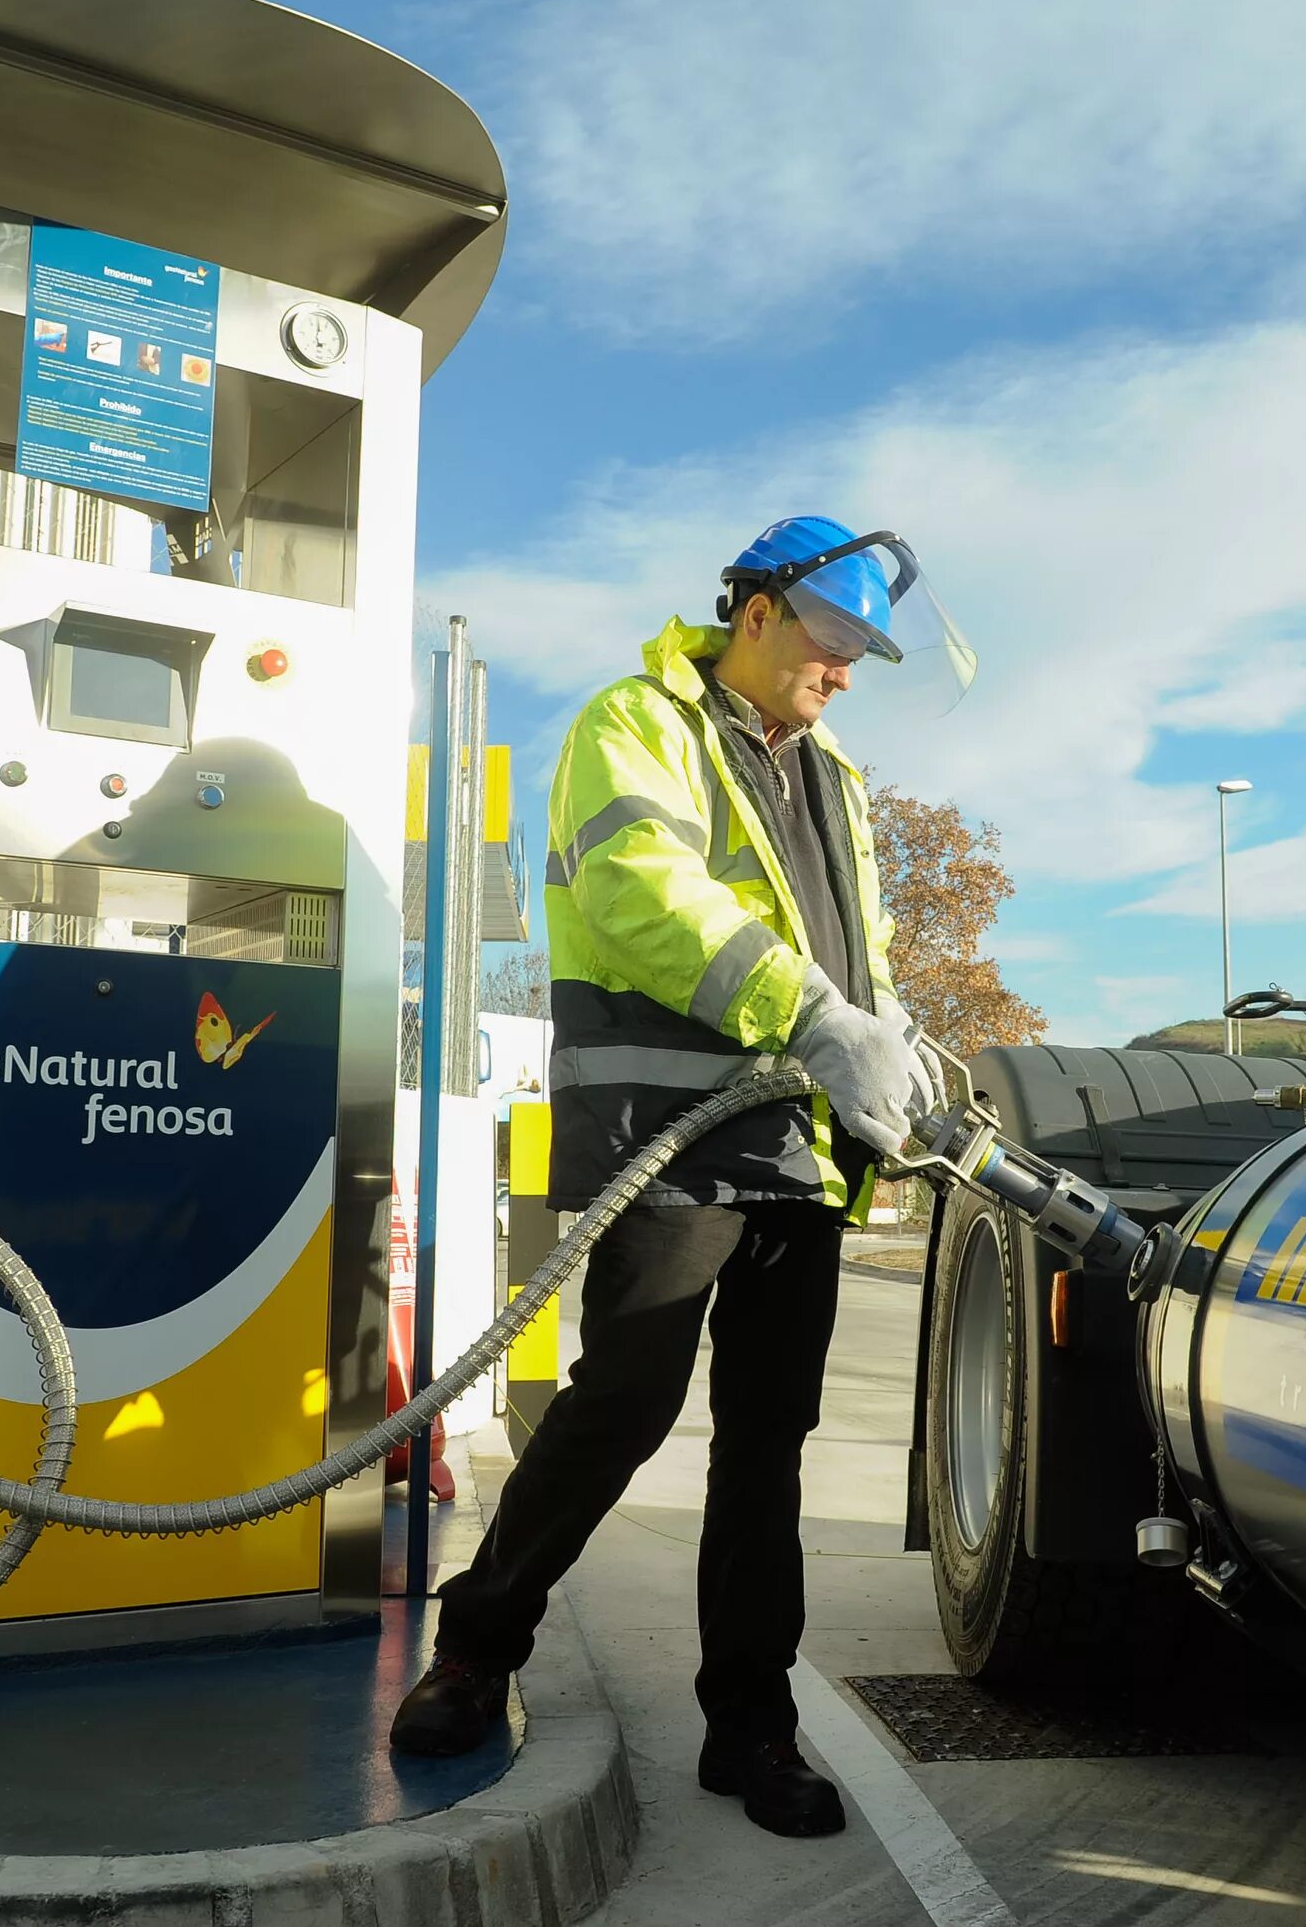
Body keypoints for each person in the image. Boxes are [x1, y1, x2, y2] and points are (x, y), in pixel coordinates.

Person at [388, 517, 966, 1839]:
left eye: (865, 654)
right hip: (671, 1137)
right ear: (755, 613)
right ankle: (477, 1649)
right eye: (833, 641)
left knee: (767, 1450)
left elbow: (856, 949)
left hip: (803, 1152)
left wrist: (888, 1041)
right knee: (627, 1400)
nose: (846, 672)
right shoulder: (634, 723)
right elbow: (648, 896)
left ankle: (751, 1726)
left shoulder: (839, 781)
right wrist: (817, 1015)